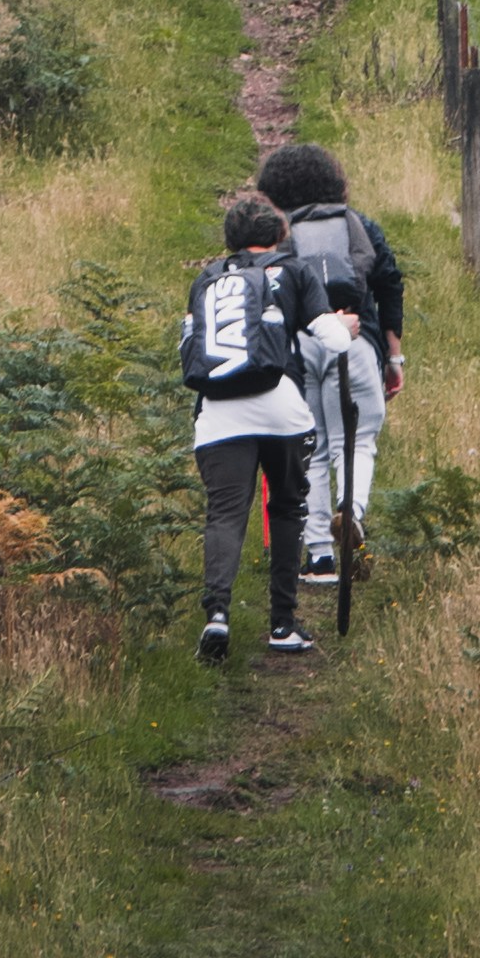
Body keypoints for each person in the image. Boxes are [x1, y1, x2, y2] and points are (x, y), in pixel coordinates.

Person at [177, 187, 317, 660]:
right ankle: (283, 624)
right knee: (286, 508)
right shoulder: (295, 270)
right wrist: (350, 326)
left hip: (218, 412)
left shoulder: (207, 279)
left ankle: (217, 614)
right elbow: (332, 339)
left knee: (225, 515)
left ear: (231, 239)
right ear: (279, 233)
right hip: (282, 409)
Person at [254, 138, 402, 581]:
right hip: (355, 341)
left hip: (301, 347)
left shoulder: (277, 236)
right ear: (333, 180)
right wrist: (394, 358)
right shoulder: (360, 226)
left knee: (311, 446)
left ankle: (319, 555)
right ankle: (351, 511)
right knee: (356, 440)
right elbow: (389, 285)